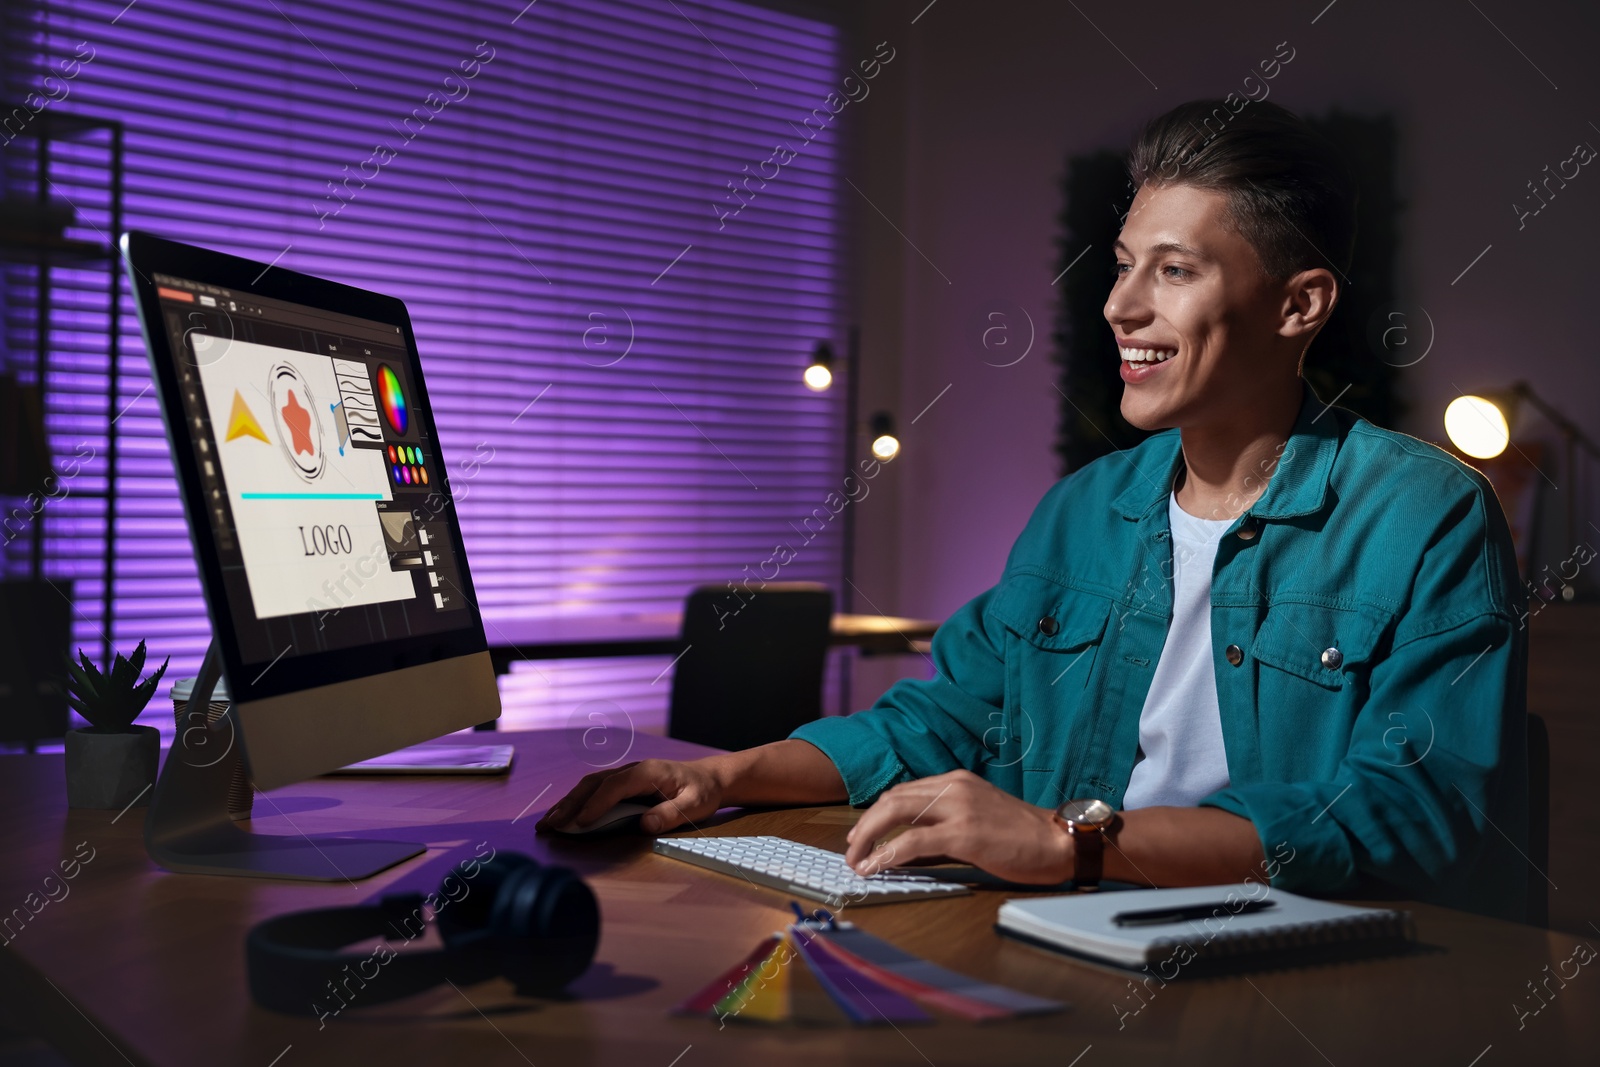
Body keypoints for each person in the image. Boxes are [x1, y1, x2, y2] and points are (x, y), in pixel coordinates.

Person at [537, 99, 1529, 922]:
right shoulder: (1082, 511)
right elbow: (946, 713)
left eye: (1174, 270)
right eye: (1123, 260)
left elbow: (1407, 810)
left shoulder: (1427, 515)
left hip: (1313, 963)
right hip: (1074, 924)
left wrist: (1067, 841)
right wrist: (723, 776)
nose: (1120, 304)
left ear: (1297, 305)